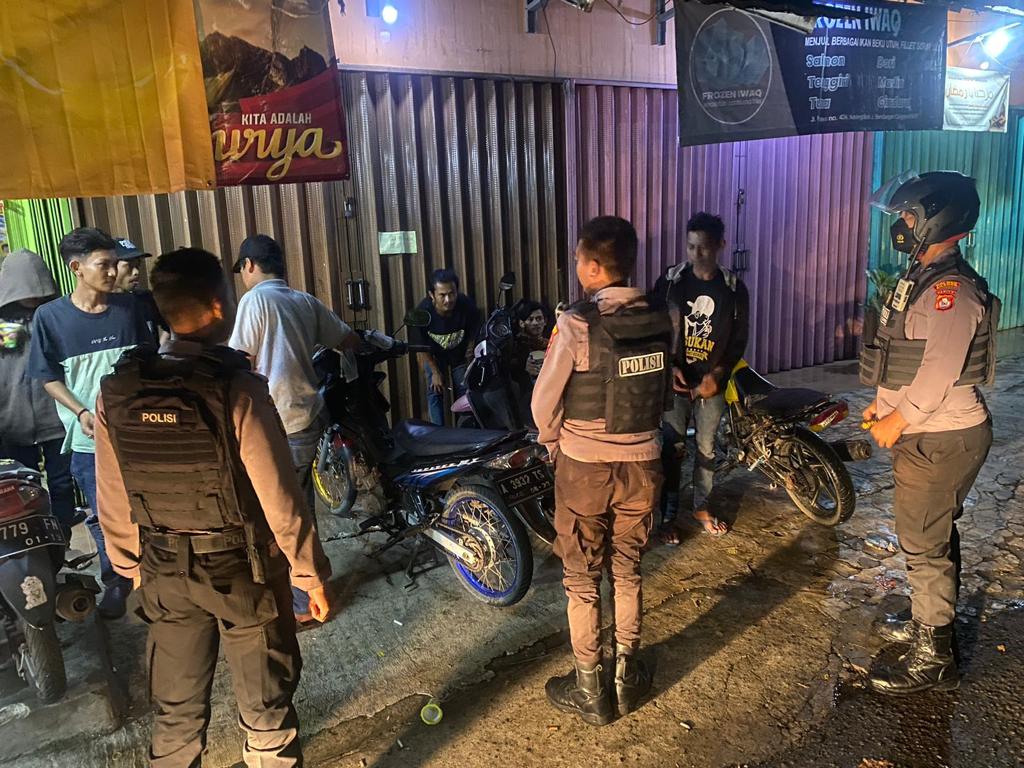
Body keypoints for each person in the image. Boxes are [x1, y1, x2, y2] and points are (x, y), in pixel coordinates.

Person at [95, 247, 332, 767]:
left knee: (175, 716)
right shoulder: (236, 389)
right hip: (243, 571)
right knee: (266, 710)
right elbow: (280, 499)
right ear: (220, 305)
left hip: (163, 569)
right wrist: (309, 575)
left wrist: (130, 566)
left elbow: (110, 492)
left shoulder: (117, 390)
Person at [532, 216, 672, 726]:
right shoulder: (664, 315)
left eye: (578, 259)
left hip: (585, 469)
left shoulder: (576, 323)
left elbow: (543, 402)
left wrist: (553, 443)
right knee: (628, 569)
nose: (576, 267)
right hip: (645, 465)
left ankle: (590, 689)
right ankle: (627, 678)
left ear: (593, 267)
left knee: (582, 577)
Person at [860, 171, 995, 695]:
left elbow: (938, 373)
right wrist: (883, 403)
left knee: (922, 543)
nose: (900, 224)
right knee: (932, 533)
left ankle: (934, 655)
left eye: (908, 216)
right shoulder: (922, 276)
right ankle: (929, 620)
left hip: (942, 436)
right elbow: (904, 356)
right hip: (931, 432)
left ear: (937, 220)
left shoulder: (950, 292)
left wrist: (899, 419)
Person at [28, 227, 155, 619]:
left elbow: (149, 363)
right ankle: (117, 582)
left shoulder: (130, 308)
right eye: (105, 264)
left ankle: (156, 580)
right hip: (90, 442)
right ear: (76, 268)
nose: (114, 271)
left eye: (115, 263)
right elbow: (47, 376)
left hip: (139, 436)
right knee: (104, 517)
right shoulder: (50, 318)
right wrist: (81, 412)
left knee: (151, 509)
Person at [229, 234, 355, 624]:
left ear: (250, 265)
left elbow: (237, 362)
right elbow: (347, 338)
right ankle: (308, 589)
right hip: (309, 418)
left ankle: (303, 602)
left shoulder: (255, 301)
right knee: (299, 505)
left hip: (278, 423)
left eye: (242, 270)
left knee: (286, 512)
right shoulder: (304, 301)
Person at [650, 212, 750, 540]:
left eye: (704, 248)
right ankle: (667, 516)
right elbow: (655, 328)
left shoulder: (733, 289)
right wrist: (670, 366)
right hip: (675, 381)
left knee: (707, 448)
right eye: (691, 246)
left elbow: (739, 339)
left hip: (712, 385)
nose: (696, 254)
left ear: (720, 245)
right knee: (672, 448)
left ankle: (701, 506)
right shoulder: (670, 282)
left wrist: (718, 374)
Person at [0, 249, 80, 538]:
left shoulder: (57, 317)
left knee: (62, 482)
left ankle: (62, 536)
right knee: (22, 486)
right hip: (12, 420)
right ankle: (34, 541)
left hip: (57, 417)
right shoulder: (2, 326)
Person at [411, 269, 480, 425]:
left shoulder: (466, 305)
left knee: (465, 391)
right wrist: (435, 372)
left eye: (452, 293)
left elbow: (475, 330)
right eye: (442, 295)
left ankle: (466, 429)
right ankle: (438, 432)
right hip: (433, 356)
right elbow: (421, 347)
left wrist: (470, 351)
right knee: (435, 390)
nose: (448, 300)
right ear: (432, 294)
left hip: (459, 354)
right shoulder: (422, 313)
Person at [112, 237, 169, 344]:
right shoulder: (99, 307)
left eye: (137, 266)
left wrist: (162, 349)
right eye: (129, 266)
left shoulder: (145, 299)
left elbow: (172, 326)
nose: (136, 272)